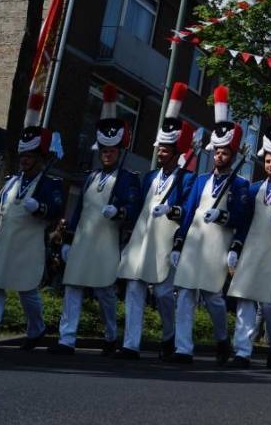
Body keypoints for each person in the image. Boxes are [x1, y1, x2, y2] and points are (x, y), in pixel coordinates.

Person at [50, 85, 141, 356]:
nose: (107, 154)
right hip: (83, 239)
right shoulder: (90, 176)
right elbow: (79, 209)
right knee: (73, 286)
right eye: (104, 151)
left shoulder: (128, 178)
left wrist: (120, 212)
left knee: (104, 292)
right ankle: (67, 338)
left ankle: (111, 334)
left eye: (111, 151)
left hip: (107, 240)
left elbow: (132, 206)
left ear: (119, 151)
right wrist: (68, 238)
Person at [0, 91, 64, 349]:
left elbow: (56, 209)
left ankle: (37, 329)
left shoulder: (51, 183)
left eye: (29, 157)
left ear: (40, 158)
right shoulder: (11, 182)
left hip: (29, 242)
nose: (24, 160)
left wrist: (41, 208)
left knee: (27, 289)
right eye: (23, 156)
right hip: (3, 240)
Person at [167, 88, 250, 366]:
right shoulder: (200, 180)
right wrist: (178, 242)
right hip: (194, 241)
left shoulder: (240, 185)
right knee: (186, 295)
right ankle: (183, 348)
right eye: (217, 151)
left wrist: (224, 217)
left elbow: (241, 217)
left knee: (213, 298)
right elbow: (189, 212)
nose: (219, 156)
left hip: (218, 244)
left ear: (232, 153)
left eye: (225, 152)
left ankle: (221, 338)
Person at [115, 82, 195, 359]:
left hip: (167, 242)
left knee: (162, 293)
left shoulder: (187, 179)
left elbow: (189, 210)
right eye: (159, 149)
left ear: (176, 152)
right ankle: (130, 344)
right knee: (134, 288)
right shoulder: (149, 177)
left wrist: (172, 211)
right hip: (142, 239)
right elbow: (138, 207)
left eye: (164, 150)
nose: (159, 153)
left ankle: (170, 334)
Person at [227, 91, 271, 369]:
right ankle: (241, 350)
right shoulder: (253, 188)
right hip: (253, 249)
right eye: (267, 161)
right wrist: (236, 245)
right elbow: (243, 220)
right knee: (244, 298)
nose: (270, 165)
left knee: (268, 304)